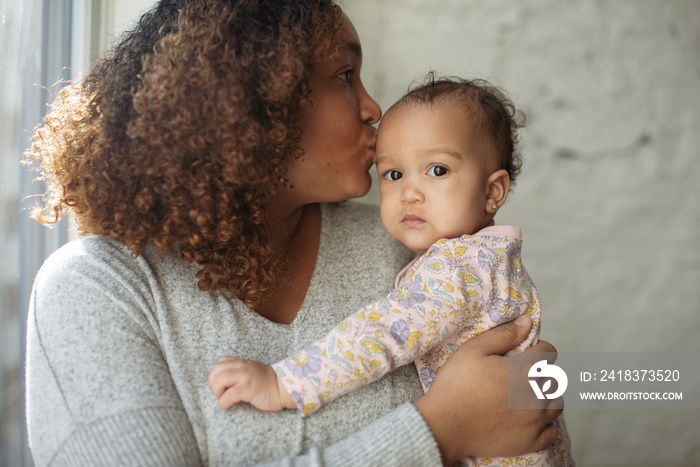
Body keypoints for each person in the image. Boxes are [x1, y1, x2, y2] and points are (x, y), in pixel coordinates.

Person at [24, 0, 563, 465]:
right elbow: (466, 416)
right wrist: (438, 432)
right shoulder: (98, 290)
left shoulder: (413, 247)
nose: (374, 109)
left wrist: (542, 389)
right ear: (253, 102)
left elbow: (527, 403)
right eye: (344, 76)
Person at [208, 77, 572, 466]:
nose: (409, 193)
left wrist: (286, 383)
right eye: (394, 174)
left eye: (436, 169)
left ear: (492, 192)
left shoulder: (460, 269)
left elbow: (384, 333)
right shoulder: (494, 258)